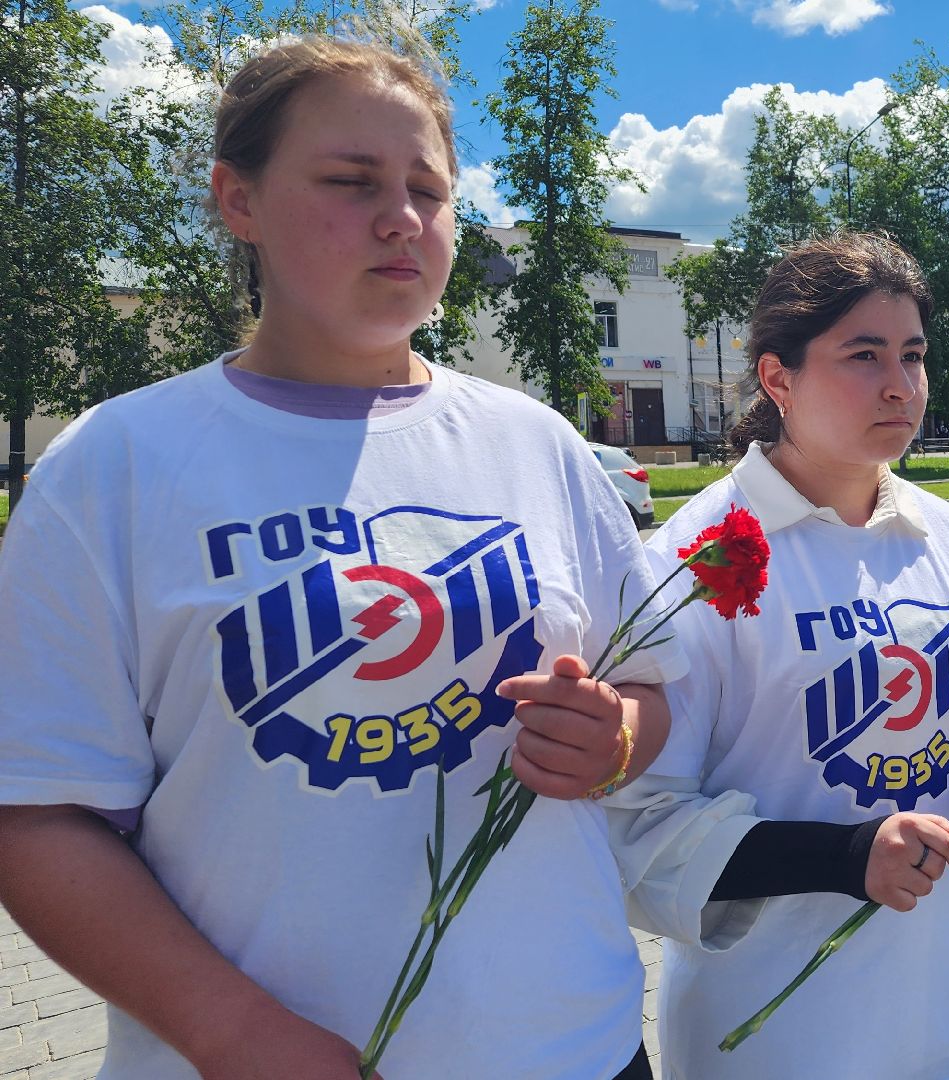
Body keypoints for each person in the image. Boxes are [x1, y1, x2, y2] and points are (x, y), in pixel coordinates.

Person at [0, 35, 680, 1080]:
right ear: (239, 200)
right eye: (350, 181)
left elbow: (646, 689)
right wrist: (233, 1033)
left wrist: (616, 740)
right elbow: (38, 815)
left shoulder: (534, 441)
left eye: (428, 189)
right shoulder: (115, 463)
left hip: (573, 1048)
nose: (402, 218)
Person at [603, 232, 949, 1080]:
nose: (901, 384)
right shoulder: (697, 558)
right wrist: (846, 856)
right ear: (778, 377)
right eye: (863, 355)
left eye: (914, 355)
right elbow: (640, 830)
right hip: (783, 1035)